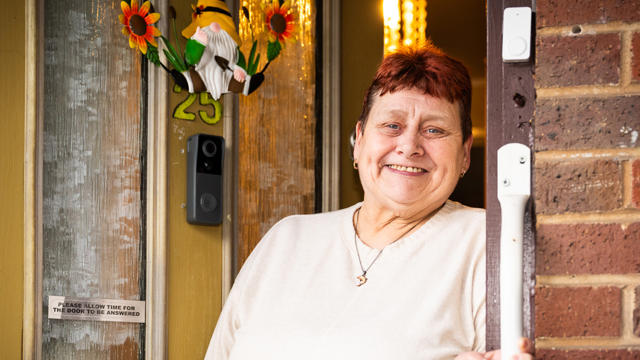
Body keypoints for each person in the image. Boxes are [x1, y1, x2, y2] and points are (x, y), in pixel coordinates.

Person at [204, 45, 532, 360]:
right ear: (359, 141)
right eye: (392, 125)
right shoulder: (285, 239)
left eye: (433, 130)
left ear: (464, 154)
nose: (409, 145)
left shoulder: (486, 241)